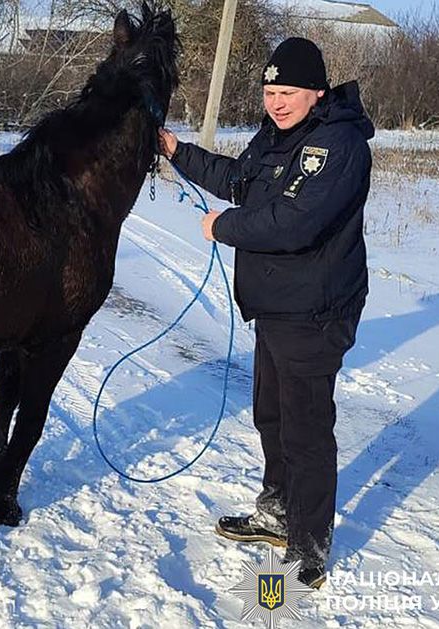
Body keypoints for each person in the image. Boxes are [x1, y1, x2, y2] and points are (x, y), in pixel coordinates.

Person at [158, 37, 374, 588]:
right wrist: (178, 152)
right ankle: (277, 513)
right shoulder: (275, 136)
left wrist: (221, 228)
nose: (277, 102)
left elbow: (294, 220)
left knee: (305, 430)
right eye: (271, 91)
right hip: (275, 307)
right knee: (272, 419)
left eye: (289, 92)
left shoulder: (337, 144)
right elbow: (239, 181)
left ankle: (309, 548)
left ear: (316, 93)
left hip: (314, 310)